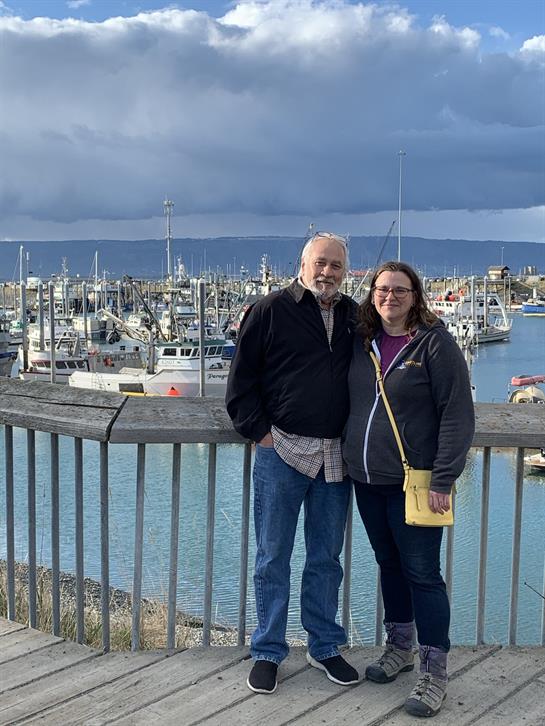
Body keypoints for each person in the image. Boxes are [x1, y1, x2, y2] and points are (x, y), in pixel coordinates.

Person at [226, 232, 359, 695]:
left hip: (336, 456)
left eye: (336, 265)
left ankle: (324, 645)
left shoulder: (354, 315)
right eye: (320, 262)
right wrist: (260, 433)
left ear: (345, 272)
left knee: (326, 558)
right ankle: (267, 651)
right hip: (280, 450)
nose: (327, 272)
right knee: (272, 556)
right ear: (302, 264)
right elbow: (240, 383)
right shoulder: (269, 310)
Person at [342, 261, 475, 718]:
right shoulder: (363, 341)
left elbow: (457, 414)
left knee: (423, 574)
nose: (390, 297)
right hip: (367, 479)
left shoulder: (435, 344)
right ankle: (399, 647)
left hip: (415, 483)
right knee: (390, 564)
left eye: (400, 290)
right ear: (372, 294)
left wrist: (444, 478)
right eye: (382, 289)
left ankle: (434, 672)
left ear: (415, 296)